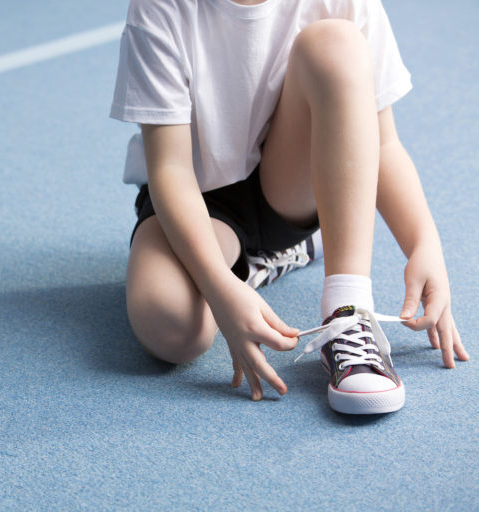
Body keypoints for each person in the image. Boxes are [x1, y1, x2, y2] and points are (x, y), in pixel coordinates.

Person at [109, 0, 469, 414]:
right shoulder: (161, 8)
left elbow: (383, 143)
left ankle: (348, 309)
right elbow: (170, 169)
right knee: (171, 329)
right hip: (198, 199)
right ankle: (256, 266)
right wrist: (220, 289)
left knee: (335, 43)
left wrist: (424, 243)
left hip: (290, 183)